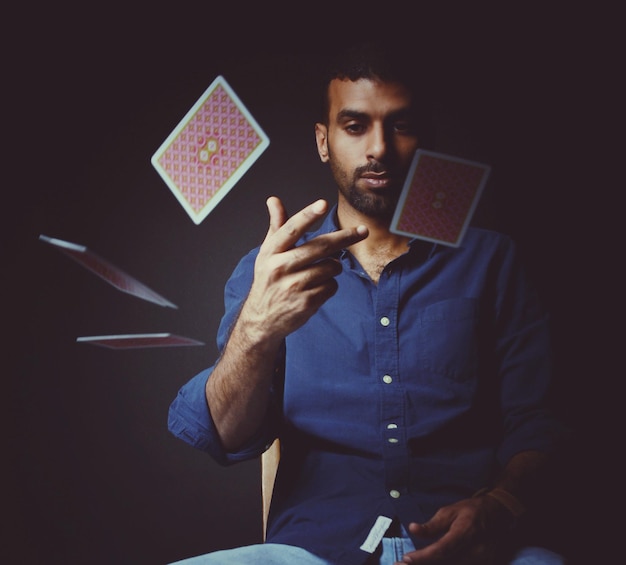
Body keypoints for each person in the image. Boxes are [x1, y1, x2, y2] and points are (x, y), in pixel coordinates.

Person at [167, 41, 569, 565]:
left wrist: (499, 505)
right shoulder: (269, 272)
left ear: (422, 138)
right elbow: (224, 435)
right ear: (324, 141)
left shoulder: (492, 261)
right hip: (312, 552)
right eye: (355, 126)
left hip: (474, 550)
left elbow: (539, 421)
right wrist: (257, 329)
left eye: (399, 125)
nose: (379, 147)